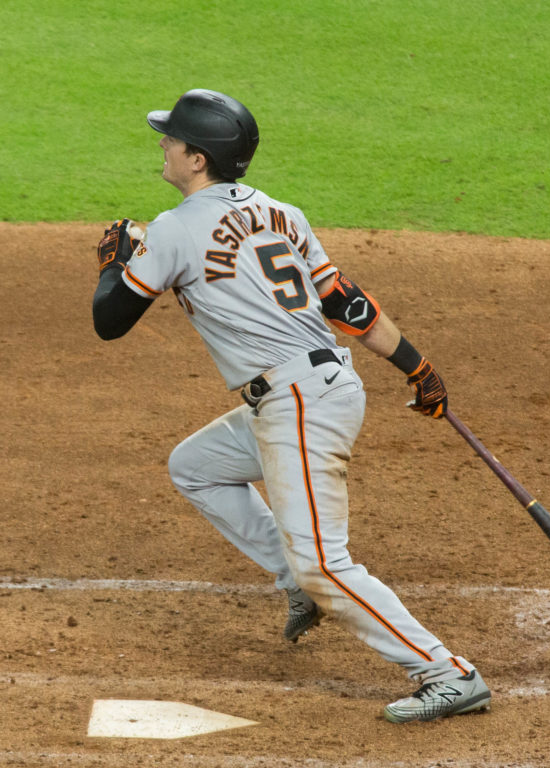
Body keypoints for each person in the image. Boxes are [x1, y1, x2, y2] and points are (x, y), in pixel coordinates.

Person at [90, 88, 489, 723]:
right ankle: (292, 581)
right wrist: (417, 366)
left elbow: (110, 321)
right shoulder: (282, 213)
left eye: (172, 139)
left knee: (325, 566)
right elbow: (343, 301)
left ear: (198, 159)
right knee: (196, 467)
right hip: (320, 388)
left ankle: (446, 671)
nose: (162, 145)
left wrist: (115, 264)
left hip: (298, 403)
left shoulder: (173, 230)